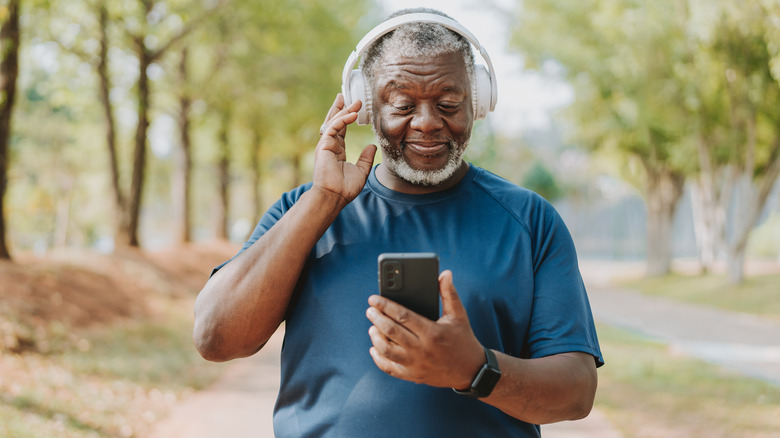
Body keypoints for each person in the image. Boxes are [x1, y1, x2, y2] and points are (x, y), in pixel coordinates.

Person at [194, 8, 603, 437]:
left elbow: (576, 392)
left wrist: (474, 369)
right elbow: (215, 339)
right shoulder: (302, 210)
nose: (427, 122)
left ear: (478, 101)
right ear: (367, 107)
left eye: (448, 104)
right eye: (403, 105)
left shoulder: (531, 221)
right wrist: (323, 201)